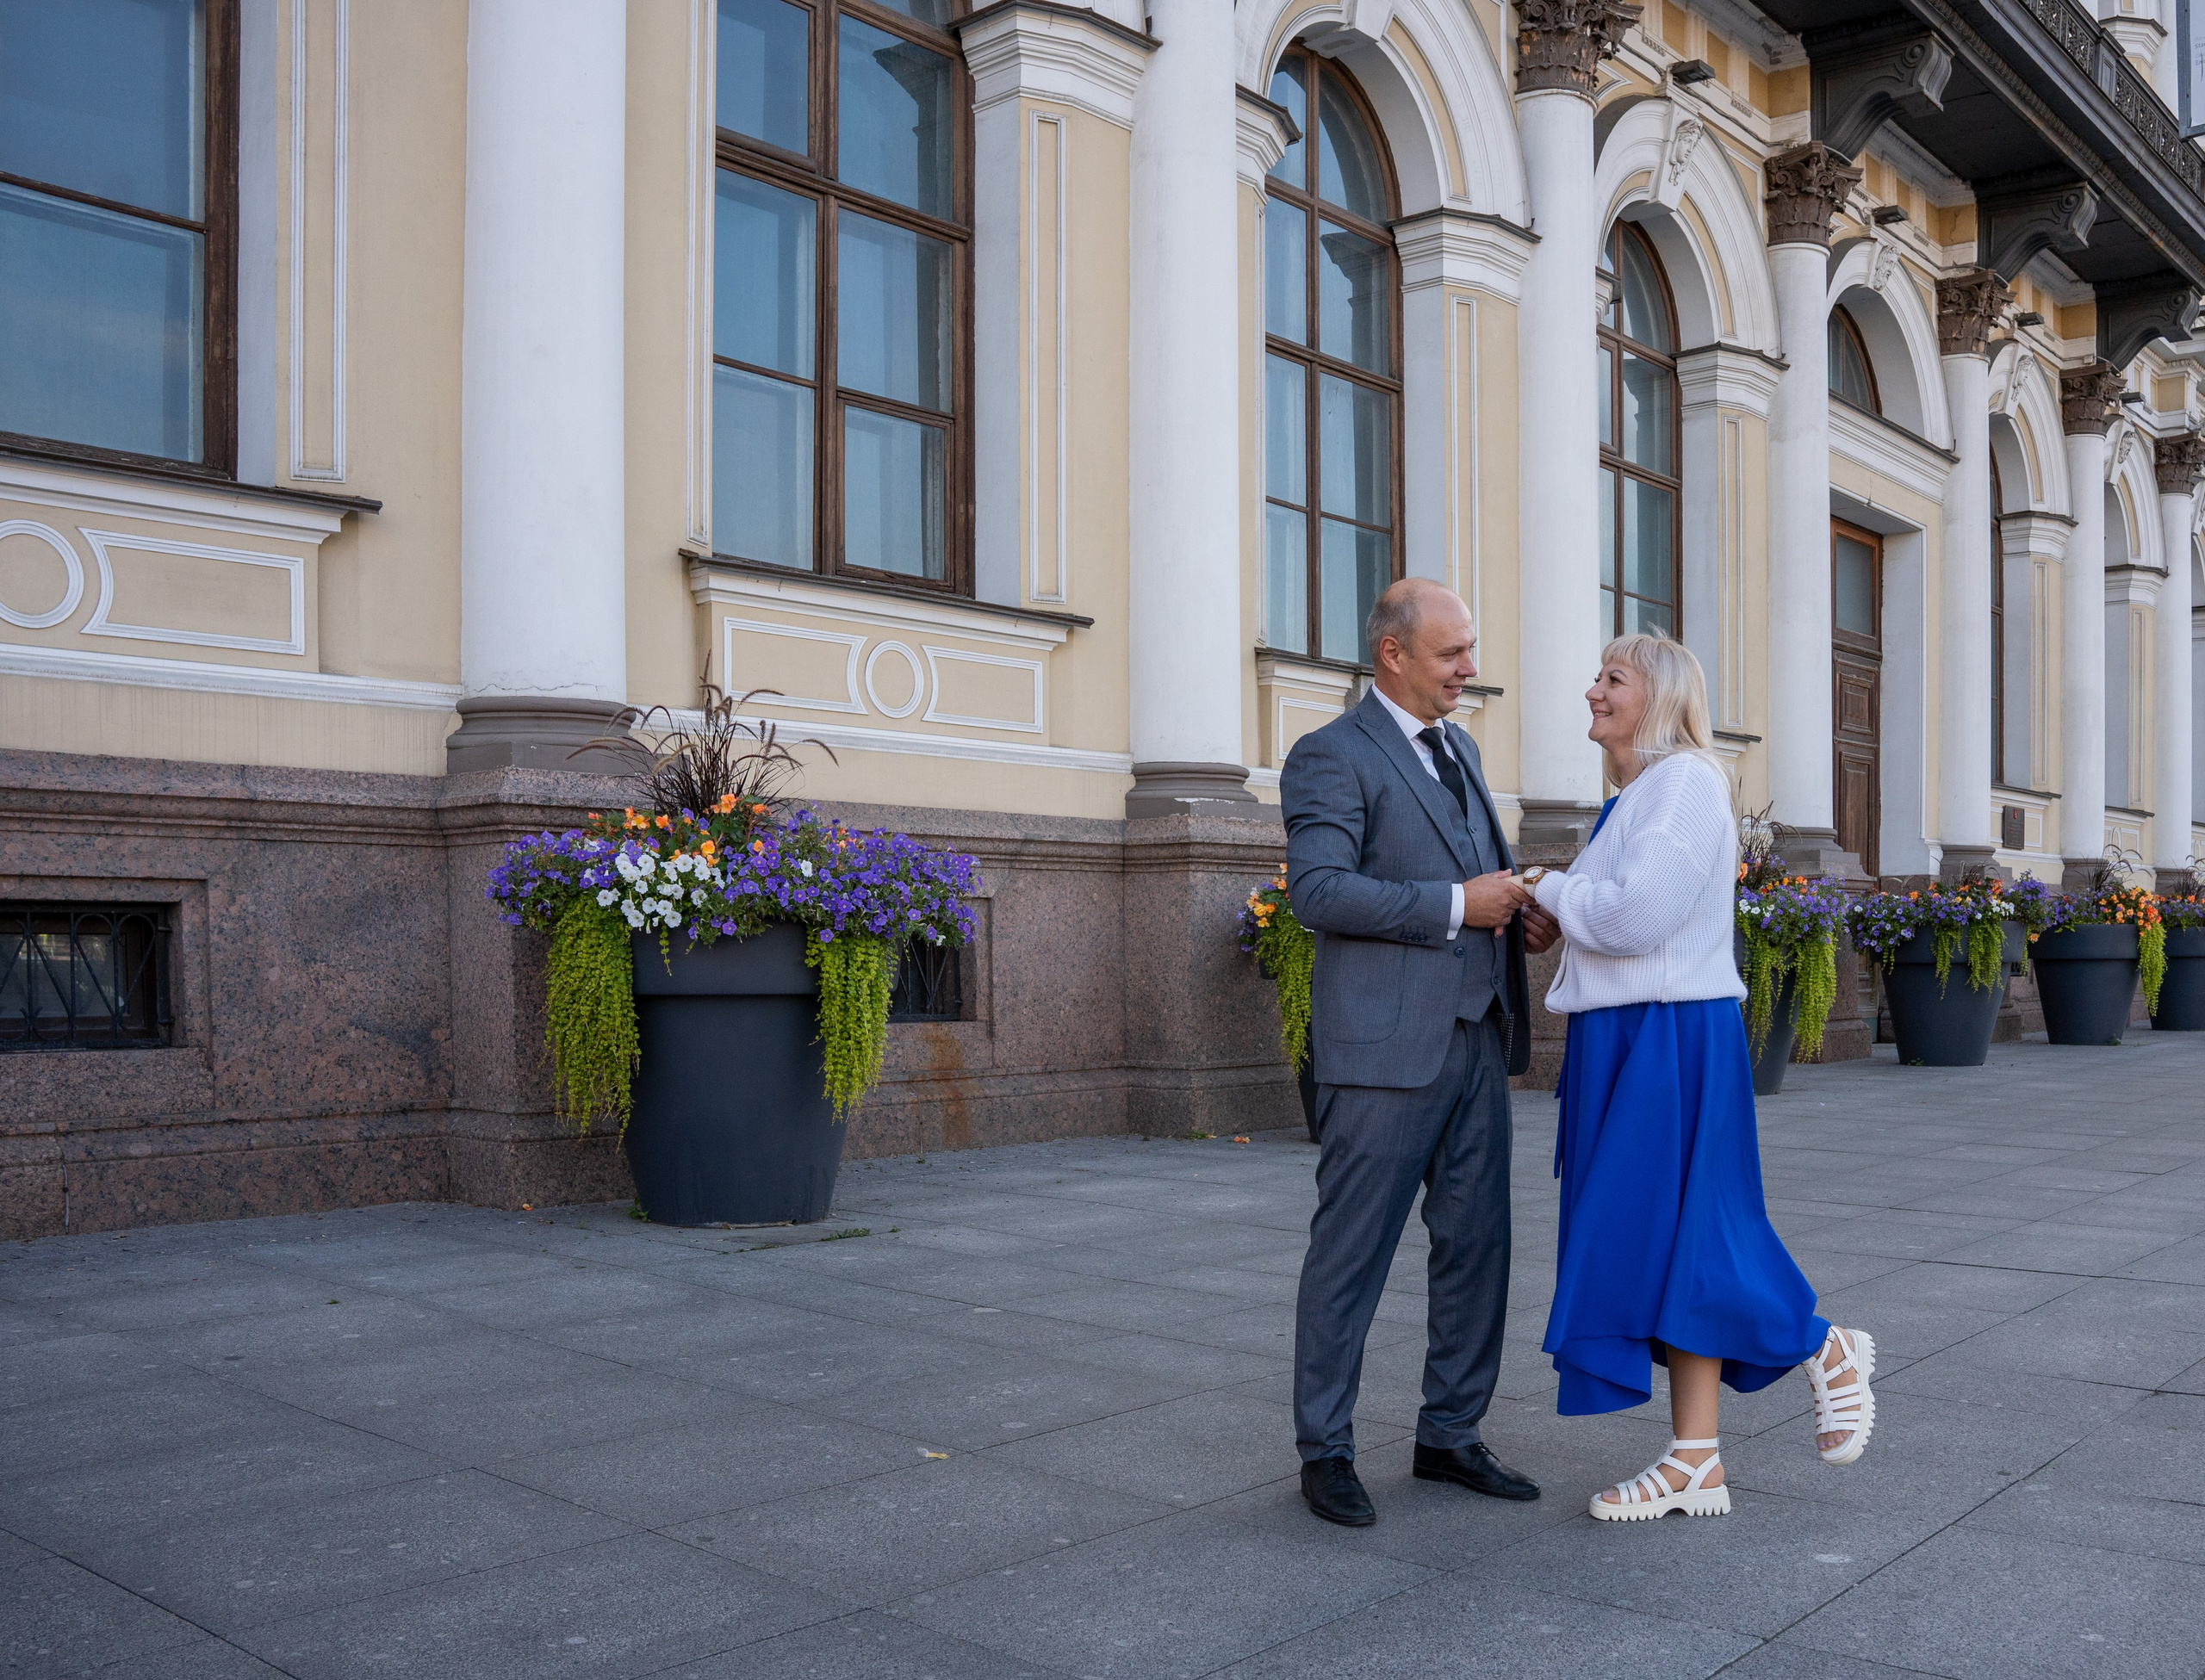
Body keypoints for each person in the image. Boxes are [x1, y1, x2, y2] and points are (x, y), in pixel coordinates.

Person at [1519, 634, 1876, 1521]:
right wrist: (1559, 908)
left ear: (1662, 697)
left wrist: (1551, 888)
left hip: (1665, 1037)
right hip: (1638, 1035)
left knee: (1689, 1236)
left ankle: (1819, 1343)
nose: (1592, 690)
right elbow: (1621, 918)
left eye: (1613, 678)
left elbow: (1634, 917)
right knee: (1673, 1245)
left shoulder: (1681, 782)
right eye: (1596, 675)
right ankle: (1694, 1459)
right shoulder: (1638, 797)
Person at [1280, 578, 1561, 1527]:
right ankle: (1325, 1450)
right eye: (1453, 653)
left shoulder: (1460, 747)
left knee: (1478, 1247)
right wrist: (1455, 906)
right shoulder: (1330, 754)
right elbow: (1318, 890)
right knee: (1350, 1255)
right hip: (1381, 1055)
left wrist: (1514, 918)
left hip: (1478, 1037)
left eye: (1470, 649)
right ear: (1392, 654)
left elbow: (1470, 877)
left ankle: (1450, 1433)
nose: (1470, 668)